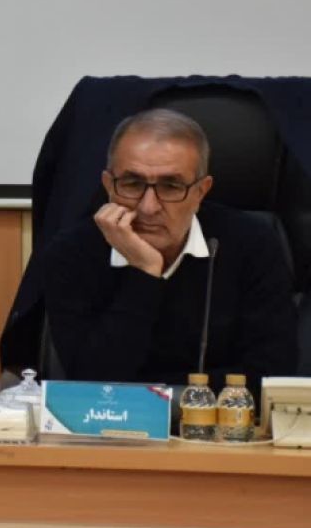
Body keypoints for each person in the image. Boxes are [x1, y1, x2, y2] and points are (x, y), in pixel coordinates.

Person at [42, 108, 296, 395]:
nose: (148, 207)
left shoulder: (253, 244)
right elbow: (93, 384)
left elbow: (270, 376)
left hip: (224, 423)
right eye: (132, 184)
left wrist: (156, 392)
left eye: (171, 186)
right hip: (115, 424)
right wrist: (145, 272)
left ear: (201, 191)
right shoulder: (72, 253)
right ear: (108, 185)